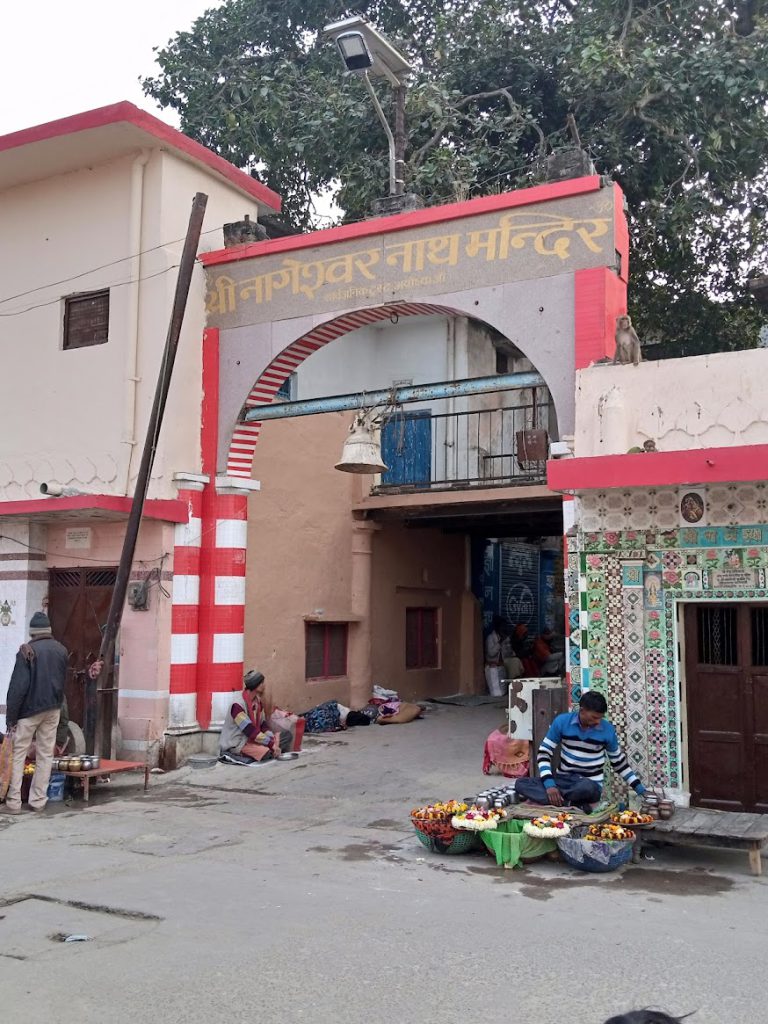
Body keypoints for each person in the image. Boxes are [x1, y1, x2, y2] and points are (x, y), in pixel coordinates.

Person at [4, 612, 101, 814]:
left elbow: (17, 688)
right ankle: (38, 801)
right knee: (45, 755)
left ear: (32, 632)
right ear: (48, 630)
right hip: (53, 709)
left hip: (29, 711)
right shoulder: (61, 650)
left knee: (18, 754)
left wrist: (11, 718)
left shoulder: (27, 651)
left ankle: (13, 803)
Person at [515, 691, 647, 812]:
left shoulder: (607, 730)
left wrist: (640, 789)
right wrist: (550, 785)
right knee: (521, 784)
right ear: (582, 711)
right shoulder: (562, 722)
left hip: (588, 784)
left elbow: (619, 763)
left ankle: (555, 801)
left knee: (586, 787)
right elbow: (544, 753)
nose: (598, 721)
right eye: (594, 717)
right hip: (563, 780)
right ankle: (577, 806)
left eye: (600, 718)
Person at [219, 670, 292, 764]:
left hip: (254, 739)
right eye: (262, 683)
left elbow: (262, 725)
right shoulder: (237, 706)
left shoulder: (257, 702)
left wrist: (271, 739)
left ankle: (268, 749)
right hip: (239, 744)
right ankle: (259, 752)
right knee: (267, 752)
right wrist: (271, 744)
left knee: (287, 735)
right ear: (256, 685)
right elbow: (250, 731)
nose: (264, 685)